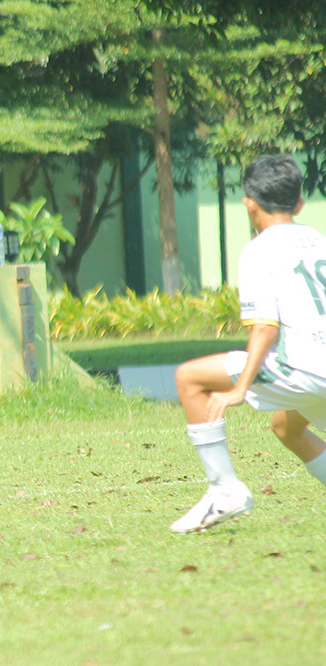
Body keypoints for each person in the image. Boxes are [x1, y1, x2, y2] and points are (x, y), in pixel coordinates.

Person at [172, 154, 326, 533]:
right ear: (300, 204)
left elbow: (265, 328)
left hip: (303, 370)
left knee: (190, 377)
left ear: (249, 204)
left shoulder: (259, 248)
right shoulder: (319, 241)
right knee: (287, 427)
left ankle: (225, 492)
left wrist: (239, 389)